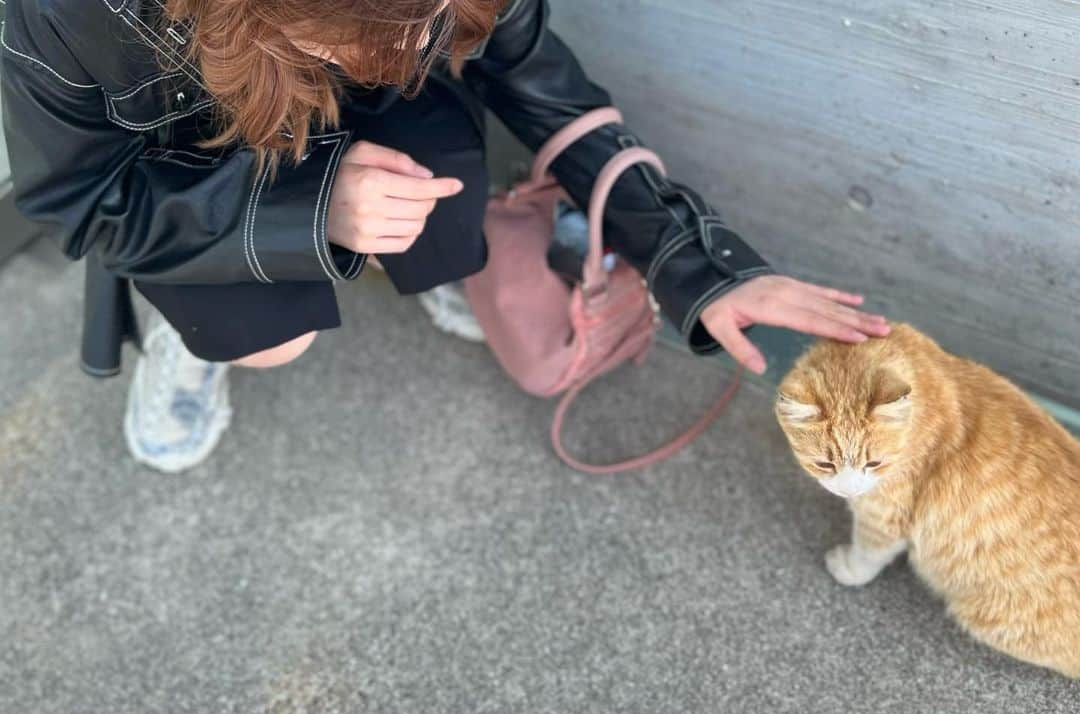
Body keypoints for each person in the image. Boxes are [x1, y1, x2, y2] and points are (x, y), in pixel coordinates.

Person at [1, 0, 889, 472]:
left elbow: (538, 81)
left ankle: (421, 260)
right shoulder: (71, 12)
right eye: (386, 29)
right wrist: (308, 212)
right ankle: (189, 340)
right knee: (276, 337)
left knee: (444, 201)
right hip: (200, 167)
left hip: (350, 106)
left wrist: (692, 262)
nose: (432, 34)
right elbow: (82, 194)